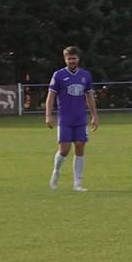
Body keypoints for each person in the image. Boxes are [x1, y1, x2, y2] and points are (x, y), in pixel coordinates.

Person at [45, 45, 99, 191]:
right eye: (69, 58)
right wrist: (48, 116)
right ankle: (56, 172)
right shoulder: (59, 75)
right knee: (64, 150)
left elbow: (89, 96)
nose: (72, 61)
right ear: (65, 59)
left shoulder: (85, 75)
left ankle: (78, 183)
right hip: (65, 119)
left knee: (80, 146)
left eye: (74, 58)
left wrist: (94, 115)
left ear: (78, 59)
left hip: (80, 118)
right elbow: (51, 96)